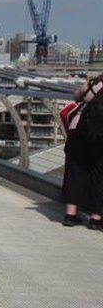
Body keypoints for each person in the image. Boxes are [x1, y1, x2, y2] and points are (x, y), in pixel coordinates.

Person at [61, 75, 103, 229]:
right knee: (100, 175)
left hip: (79, 131)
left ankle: (70, 215)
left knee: (75, 172)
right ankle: (95, 219)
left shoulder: (95, 82)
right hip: (100, 138)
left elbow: (77, 96)